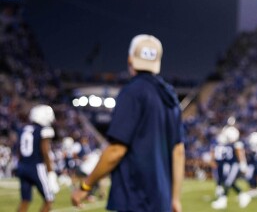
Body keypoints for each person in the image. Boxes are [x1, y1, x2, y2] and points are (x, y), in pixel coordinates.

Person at [71, 34, 185, 212]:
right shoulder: (170, 97)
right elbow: (178, 152)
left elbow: (116, 150)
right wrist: (175, 198)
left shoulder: (133, 91)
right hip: (162, 201)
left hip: (136, 197)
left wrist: (86, 186)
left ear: (130, 59)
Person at [16, 104, 59, 212]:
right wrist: (51, 173)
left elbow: (19, 151)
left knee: (24, 200)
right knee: (49, 199)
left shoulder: (23, 129)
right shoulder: (44, 130)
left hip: (22, 166)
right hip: (36, 167)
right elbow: (45, 152)